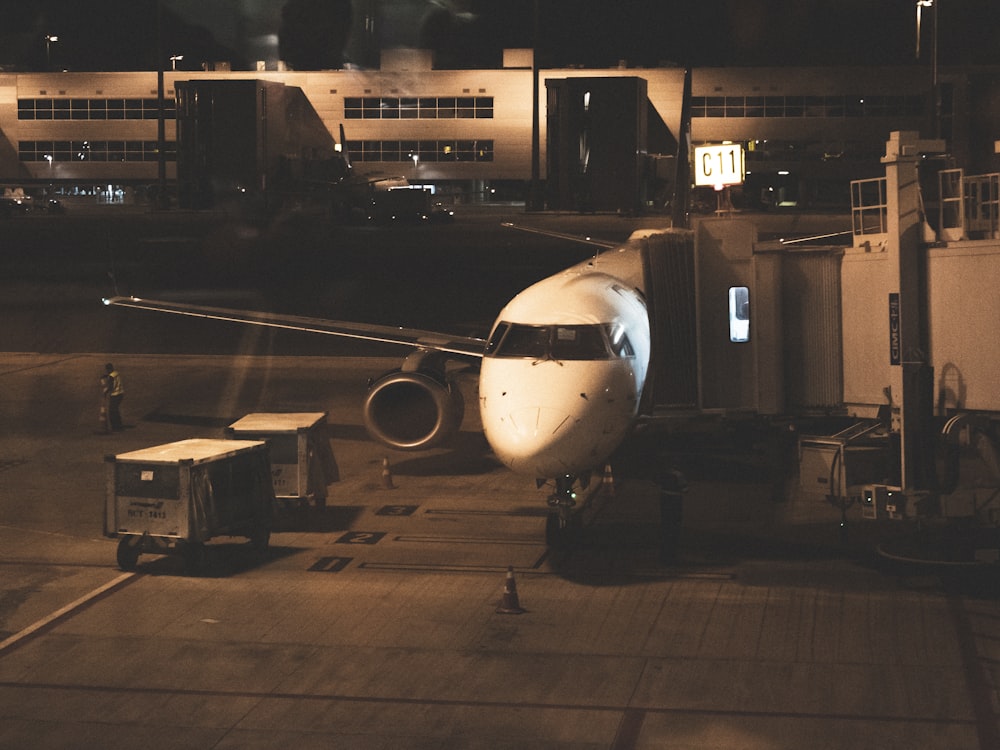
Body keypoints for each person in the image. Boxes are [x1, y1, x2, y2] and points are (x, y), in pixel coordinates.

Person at [102, 362, 125, 431]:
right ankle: (119, 425)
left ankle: (115, 427)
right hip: (121, 393)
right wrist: (106, 376)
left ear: (108, 369)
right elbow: (112, 375)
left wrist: (105, 392)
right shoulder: (116, 373)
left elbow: (111, 387)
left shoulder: (111, 377)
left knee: (112, 411)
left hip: (115, 395)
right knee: (115, 410)